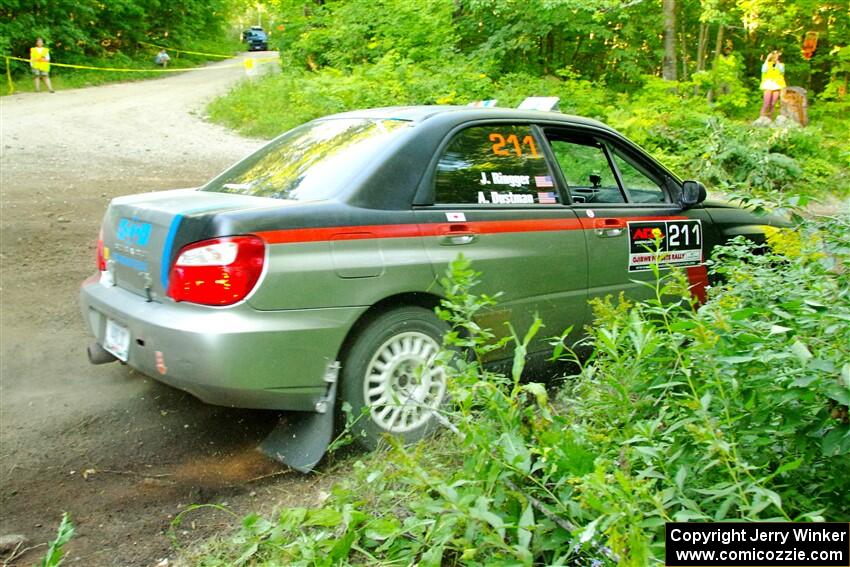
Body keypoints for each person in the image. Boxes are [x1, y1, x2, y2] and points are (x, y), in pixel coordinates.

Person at [759, 50, 786, 120]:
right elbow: (763, 70)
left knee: (773, 104)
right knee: (766, 103)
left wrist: (778, 63)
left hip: (777, 85)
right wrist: (768, 58)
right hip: (768, 84)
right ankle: (762, 118)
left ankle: (769, 118)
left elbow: (782, 72)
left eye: (777, 57)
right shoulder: (766, 64)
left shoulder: (781, 65)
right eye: (774, 56)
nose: (775, 58)